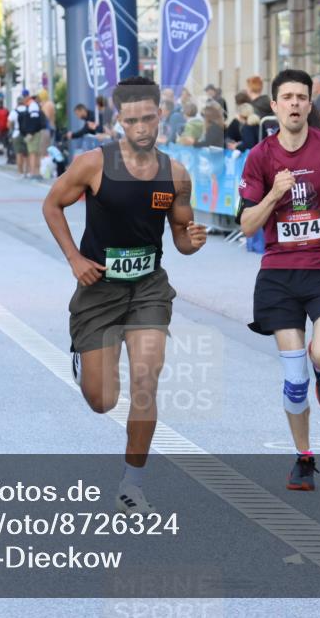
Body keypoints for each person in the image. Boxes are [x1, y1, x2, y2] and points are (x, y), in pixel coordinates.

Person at [42, 77, 207, 514]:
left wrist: (192, 240)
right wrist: (75, 258)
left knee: (146, 381)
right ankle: (85, 359)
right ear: (119, 120)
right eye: (132, 120)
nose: (141, 127)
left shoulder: (176, 174)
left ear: (160, 115)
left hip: (149, 287)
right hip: (98, 288)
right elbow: (52, 205)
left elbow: (182, 239)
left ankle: (132, 485)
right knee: (102, 401)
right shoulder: (93, 164)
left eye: (148, 118)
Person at [237, 69, 320, 491]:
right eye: (287, 97)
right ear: (274, 105)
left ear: (310, 104)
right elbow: (247, 224)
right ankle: (304, 458)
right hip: (279, 274)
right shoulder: (259, 157)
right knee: (295, 382)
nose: (294, 103)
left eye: (301, 97)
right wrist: (274, 194)